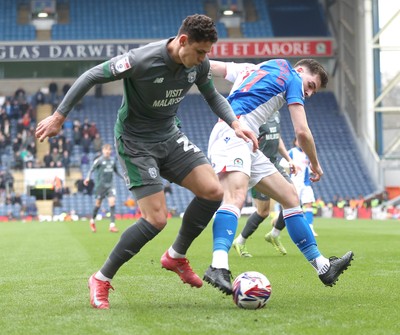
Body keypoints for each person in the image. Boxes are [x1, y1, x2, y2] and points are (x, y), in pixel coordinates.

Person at [35, 14, 257, 309]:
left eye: (208, 53)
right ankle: (101, 278)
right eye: (201, 51)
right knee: (157, 219)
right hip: (135, 143)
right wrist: (59, 116)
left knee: (213, 191)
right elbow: (91, 76)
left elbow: (212, 95)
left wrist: (235, 123)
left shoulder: (199, 64)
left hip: (169, 136)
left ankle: (176, 256)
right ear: (182, 41)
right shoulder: (141, 60)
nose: (205, 59)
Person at [202, 59, 353, 295]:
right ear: (301, 70)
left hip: (248, 141)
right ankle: (218, 265)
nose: (310, 93)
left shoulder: (255, 68)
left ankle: (323, 267)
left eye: (313, 90)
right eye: (311, 85)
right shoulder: (292, 77)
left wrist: (181, 60)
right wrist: (315, 164)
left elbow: (214, 67)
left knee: (290, 197)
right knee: (235, 196)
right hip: (233, 134)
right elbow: (302, 132)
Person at [231, 111, 297, 257]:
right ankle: (240, 241)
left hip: (274, 163)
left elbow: (277, 138)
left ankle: (274, 233)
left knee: (294, 199)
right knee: (263, 212)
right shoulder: (255, 113)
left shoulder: (276, 113)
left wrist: (288, 159)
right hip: (259, 166)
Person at [84, 143, 124, 233]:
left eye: (109, 150)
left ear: (110, 151)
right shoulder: (99, 160)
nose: (107, 151)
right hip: (100, 186)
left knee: (112, 203)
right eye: (106, 150)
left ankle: (112, 225)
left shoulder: (113, 161)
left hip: (110, 186)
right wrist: (87, 177)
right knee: (98, 204)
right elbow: (91, 169)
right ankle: (92, 220)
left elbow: (117, 171)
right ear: (103, 151)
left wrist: (125, 178)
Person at [287, 137, 318, 236]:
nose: (300, 143)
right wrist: (292, 166)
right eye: (298, 141)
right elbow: (282, 163)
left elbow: (309, 168)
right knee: (293, 207)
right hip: (294, 183)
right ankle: (277, 224)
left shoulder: (308, 154)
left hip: (306, 184)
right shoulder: (292, 152)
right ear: (295, 142)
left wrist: (313, 171)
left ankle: (310, 228)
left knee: (308, 204)